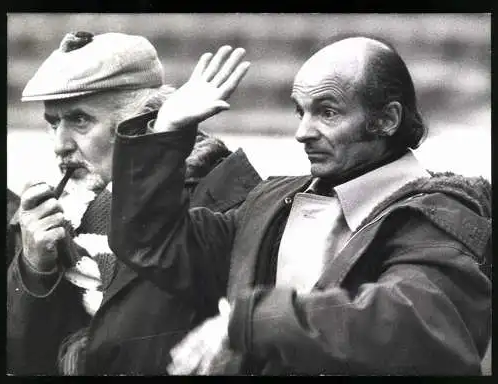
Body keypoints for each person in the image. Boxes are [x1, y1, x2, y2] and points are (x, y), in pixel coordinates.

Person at [109, 38, 492, 375]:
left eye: (327, 112)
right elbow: (153, 242)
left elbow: (414, 322)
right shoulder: (272, 201)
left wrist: (249, 322)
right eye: (300, 110)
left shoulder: (439, 213)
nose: (302, 132)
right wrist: (166, 131)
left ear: (387, 119)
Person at [7, 31, 261, 375]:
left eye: (80, 120)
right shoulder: (64, 216)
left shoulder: (224, 202)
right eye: (54, 123)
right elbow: (24, 362)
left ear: (144, 120)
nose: (60, 145)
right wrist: (35, 269)